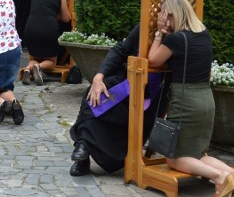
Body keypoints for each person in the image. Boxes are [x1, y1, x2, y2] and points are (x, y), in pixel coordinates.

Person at [147, 0, 234, 197]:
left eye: (166, 15)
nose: (165, 19)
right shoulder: (204, 34)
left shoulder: (176, 39)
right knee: (197, 153)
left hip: (186, 100)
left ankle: (219, 178)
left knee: (173, 158)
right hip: (206, 98)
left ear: (172, 15)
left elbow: (153, 59)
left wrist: (159, 33)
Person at [68, 24, 164, 175]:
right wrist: (99, 76)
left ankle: (83, 149)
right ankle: (83, 150)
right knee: (93, 94)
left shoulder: (175, 36)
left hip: (151, 96)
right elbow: (121, 50)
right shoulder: (144, 27)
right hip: (127, 83)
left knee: (105, 107)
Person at [21, 0, 71, 85]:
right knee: (51, 61)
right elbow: (66, 18)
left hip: (30, 29)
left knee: (34, 56)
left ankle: (29, 68)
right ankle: (39, 67)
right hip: (48, 30)